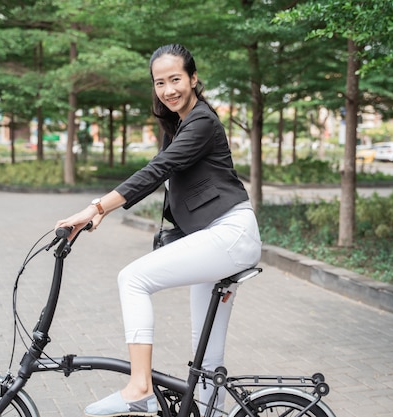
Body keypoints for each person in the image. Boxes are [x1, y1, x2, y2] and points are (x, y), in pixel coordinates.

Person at [55, 43, 262, 417]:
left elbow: (157, 170)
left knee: (132, 279)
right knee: (207, 356)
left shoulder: (202, 122)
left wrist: (95, 207)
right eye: (160, 82)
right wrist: (105, 212)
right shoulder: (180, 124)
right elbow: (160, 170)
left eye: (176, 79)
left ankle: (139, 387)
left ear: (194, 79)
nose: (168, 90)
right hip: (217, 239)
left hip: (228, 234)